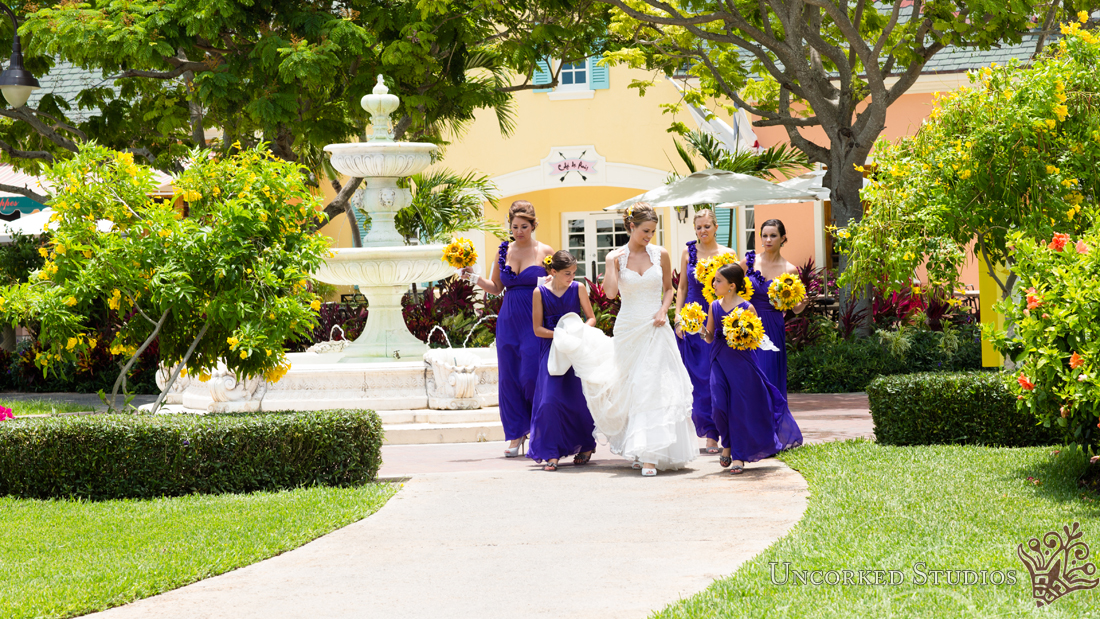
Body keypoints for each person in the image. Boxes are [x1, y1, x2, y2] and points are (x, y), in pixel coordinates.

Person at [552, 203, 696, 476]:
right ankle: (640, 449)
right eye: (645, 231)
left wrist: (664, 311)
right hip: (628, 329)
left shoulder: (661, 254)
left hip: (656, 327)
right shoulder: (616, 257)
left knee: (652, 386)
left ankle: (651, 455)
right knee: (632, 388)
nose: (649, 236)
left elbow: (669, 289)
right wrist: (610, 263)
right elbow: (609, 293)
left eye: (653, 231)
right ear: (631, 226)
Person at [465, 201, 554, 457]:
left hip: (535, 319)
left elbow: (560, 284)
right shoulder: (503, 251)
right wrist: (472, 276)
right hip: (508, 320)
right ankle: (516, 433)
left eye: (524, 226)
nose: (519, 231)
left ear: (533, 225)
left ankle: (537, 430)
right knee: (509, 378)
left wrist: (552, 282)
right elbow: (495, 287)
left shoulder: (545, 251)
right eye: (515, 227)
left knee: (531, 376)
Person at [703, 263, 803, 474]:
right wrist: (698, 329)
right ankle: (727, 443)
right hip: (718, 359)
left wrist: (741, 335)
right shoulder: (713, 306)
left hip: (742, 362)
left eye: (718, 281)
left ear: (731, 285)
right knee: (718, 405)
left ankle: (738, 455)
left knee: (739, 407)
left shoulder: (748, 308)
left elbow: (756, 337)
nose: (714, 284)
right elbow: (709, 337)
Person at [529, 250, 598, 471]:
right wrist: (560, 336)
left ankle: (586, 446)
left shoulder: (578, 288)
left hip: (576, 349)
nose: (571, 277)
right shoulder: (539, 293)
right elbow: (537, 329)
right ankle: (551, 452)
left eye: (574, 273)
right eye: (567, 273)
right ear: (553, 271)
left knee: (579, 399)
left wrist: (578, 333)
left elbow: (591, 318)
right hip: (550, 350)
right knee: (549, 401)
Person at [674, 208, 734, 454]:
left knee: (716, 379)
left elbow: (734, 289)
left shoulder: (728, 254)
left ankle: (714, 434)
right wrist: (678, 317)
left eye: (707, 226)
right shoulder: (687, 252)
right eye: (698, 227)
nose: (702, 231)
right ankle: (705, 430)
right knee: (695, 380)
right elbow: (681, 287)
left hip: (718, 319)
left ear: (716, 227)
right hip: (693, 321)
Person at [739, 219, 809, 395]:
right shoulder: (749, 262)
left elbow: (795, 309)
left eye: (773, 236)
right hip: (747, 325)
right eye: (764, 236)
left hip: (772, 327)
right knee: (748, 378)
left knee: (768, 375)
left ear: (783, 238)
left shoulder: (790, 270)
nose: (768, 240)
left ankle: (771, 413)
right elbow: (729, 286)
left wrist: (803, 303)